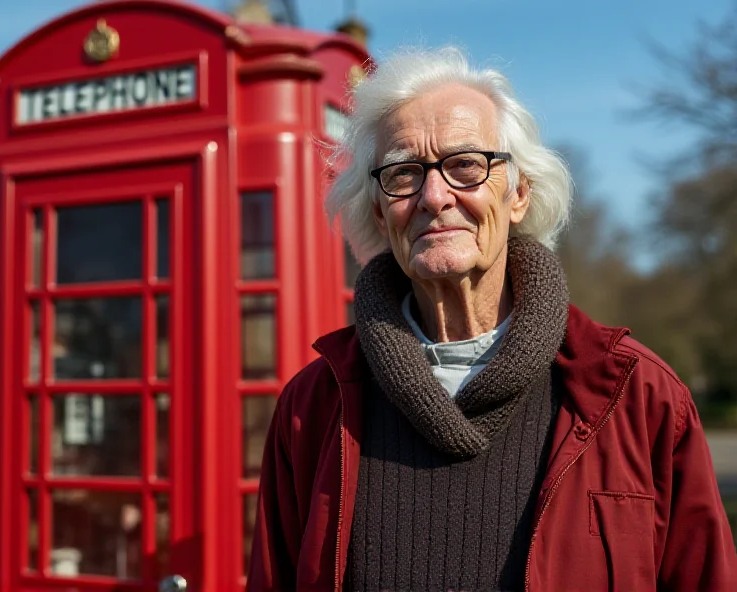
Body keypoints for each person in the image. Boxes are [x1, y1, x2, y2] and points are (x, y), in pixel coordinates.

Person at [247, 46, 737, 591]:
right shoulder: (311, 409)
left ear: (519, 193)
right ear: (381, 215)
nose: (435, 196)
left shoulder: (642, 398)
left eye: (465, 165)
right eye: (404, 173)